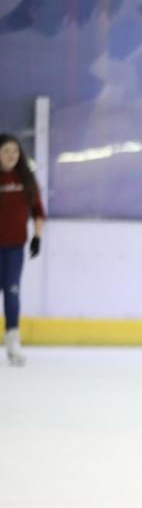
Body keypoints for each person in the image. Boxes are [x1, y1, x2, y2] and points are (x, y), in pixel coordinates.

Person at [0, 133, 45, 366]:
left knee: (12, 293)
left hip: (14, 249)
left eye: (15, 151)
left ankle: (12, 341)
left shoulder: (26, 179)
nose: (11, 156)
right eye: (6, 151)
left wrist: (37, 237)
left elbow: (38, 210)